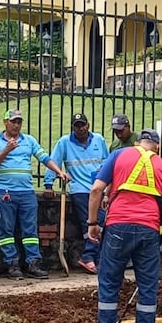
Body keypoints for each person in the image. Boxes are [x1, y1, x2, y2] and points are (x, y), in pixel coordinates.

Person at [87, 129, 162, 323]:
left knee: (108, 285)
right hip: (149, 230)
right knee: (147, 288)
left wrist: (93, 223)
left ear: (137, 143)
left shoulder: (118, 155)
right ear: (156, 147)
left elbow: (96, 189)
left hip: (117, 227)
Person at [0, 107, 70, 280]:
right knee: (6, 230)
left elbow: (44, 158)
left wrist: (59, 172)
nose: (16, 125)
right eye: (13, 122)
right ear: (5, 122)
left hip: (27, 192)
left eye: (19, 122)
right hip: (5, 192)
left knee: (30, 229)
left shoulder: (29, 140)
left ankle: (33, 263)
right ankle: (12, 264)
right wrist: (6, 150)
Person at [44, 112, 110, 274]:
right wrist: (48, 183)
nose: (80, 129)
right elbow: (54, 160)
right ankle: (89, 257)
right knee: (90, 222)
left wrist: (108, 187)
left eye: (83, 125)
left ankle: (93, 257)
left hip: (98, 187)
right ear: (73, 128)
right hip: (79, 188)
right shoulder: (64, 142)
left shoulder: (99, 140)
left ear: (88, 125)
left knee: (100, 222)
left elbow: (107, 162)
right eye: (77, 126)